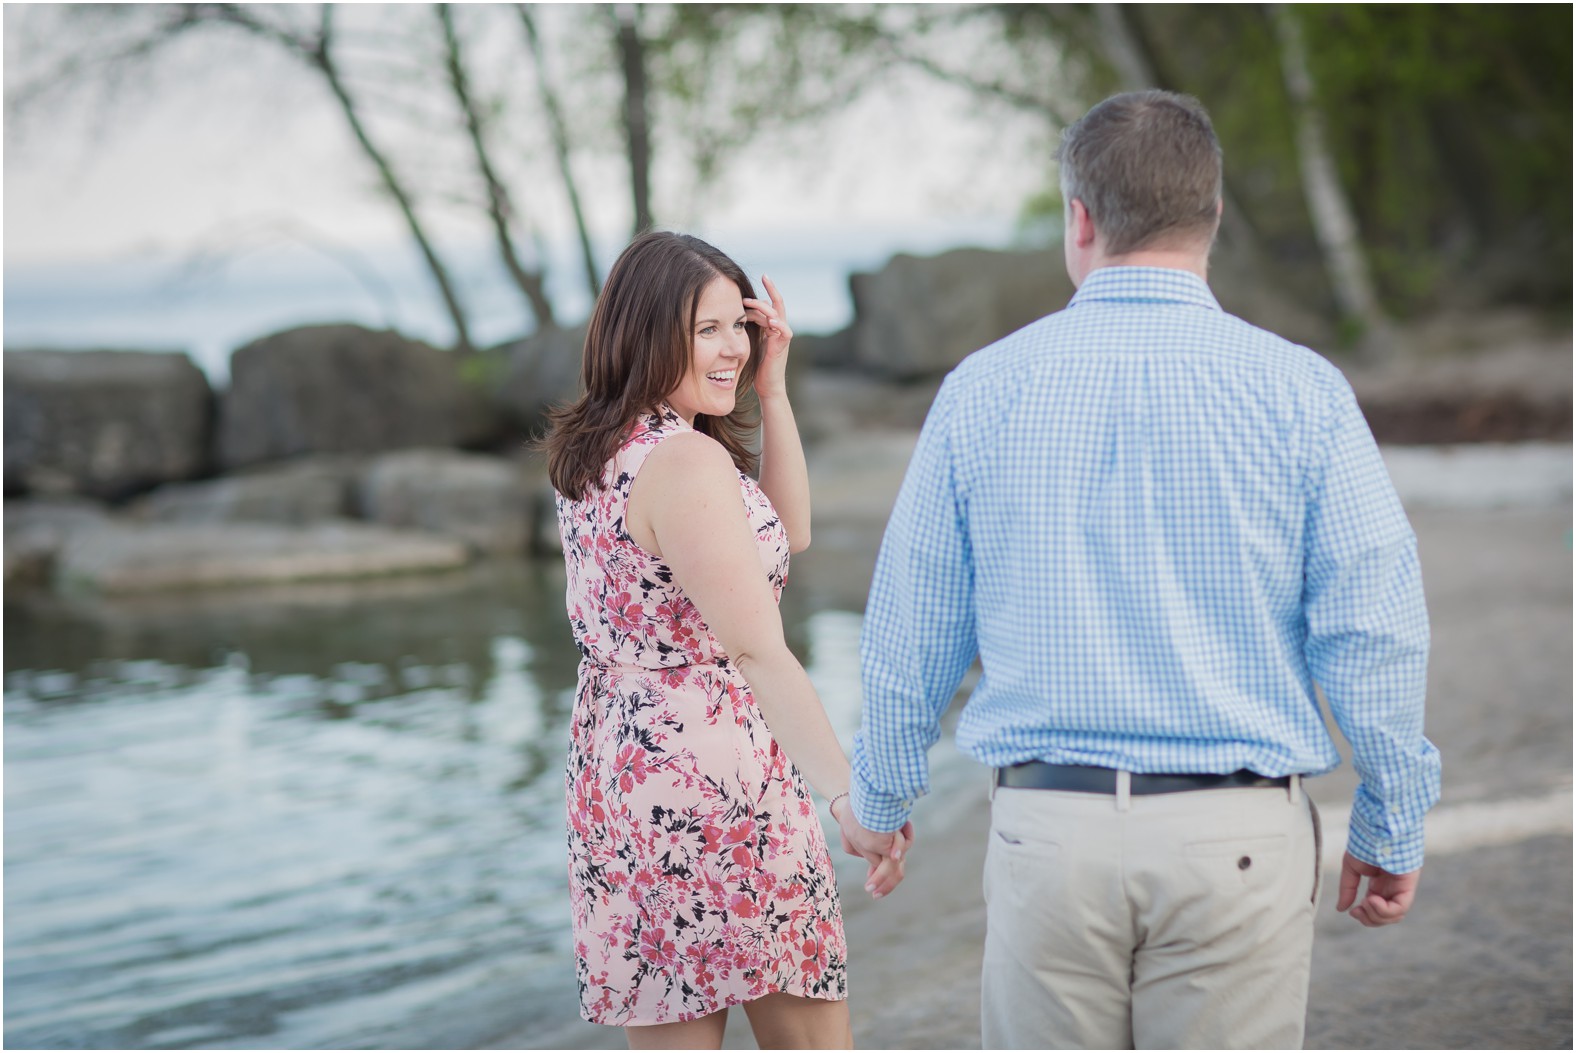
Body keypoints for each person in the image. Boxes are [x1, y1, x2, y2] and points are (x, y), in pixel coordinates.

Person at [840, 91, 1441, 1049]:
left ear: (1080, 220)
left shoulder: (982, 390)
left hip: (1049, 833)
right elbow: (1374, 625)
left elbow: (915, 622)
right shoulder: (1303, 393)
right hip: (1235, 837)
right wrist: (1392, 816)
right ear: (1212, 216)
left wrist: (880, 800)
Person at [542, 231, 910, 1050]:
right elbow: (755, 648)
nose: (732, 347)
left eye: (736, 325)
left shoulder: (601, 449)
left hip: (622, 774)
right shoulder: (682, 462)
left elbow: (793, 530)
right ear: (646, 331)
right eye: (706, 328)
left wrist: (771, 394)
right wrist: (849, 797)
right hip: (716, 780)